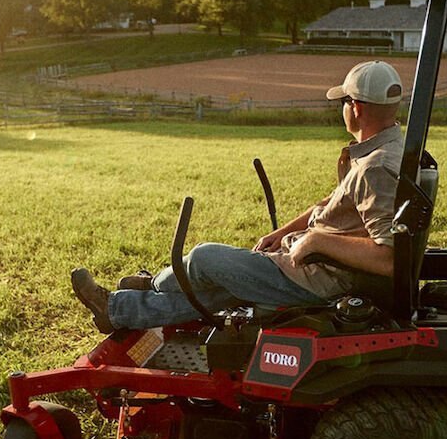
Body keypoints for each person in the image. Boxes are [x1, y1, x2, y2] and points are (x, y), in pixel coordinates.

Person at [71, 60, 405, 333]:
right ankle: (118, 309)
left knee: (206, 258)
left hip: (322, 279)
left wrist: (318, 240)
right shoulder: (387, 150)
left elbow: (388, 257)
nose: (342, 109)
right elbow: (331, 207)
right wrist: (282, 233)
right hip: (315, 265)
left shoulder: (376, 168)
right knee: (223, 289)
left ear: (356, 107)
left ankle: (154, 284)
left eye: (344, 102)